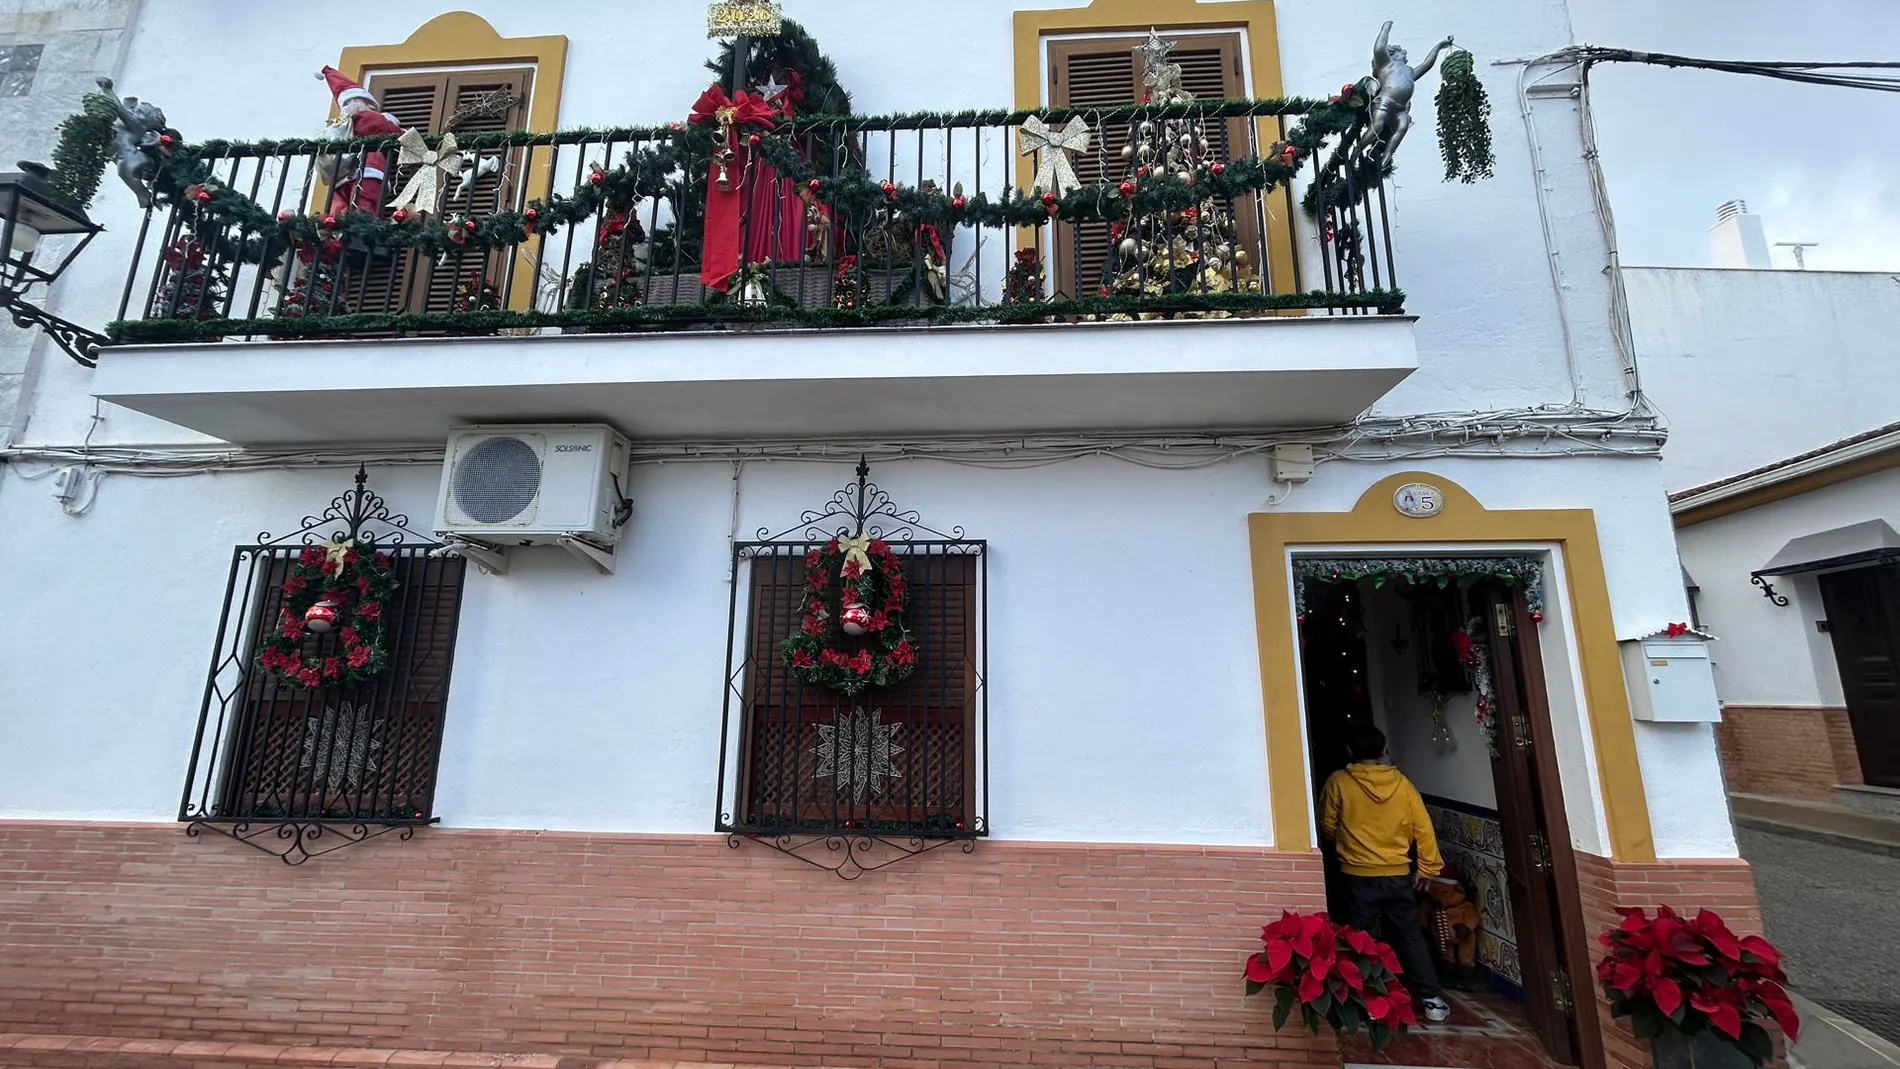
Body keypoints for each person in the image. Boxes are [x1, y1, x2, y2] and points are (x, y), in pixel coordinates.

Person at [1319, 722, 1453, 1023]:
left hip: (1356, 873)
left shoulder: (1340, 782)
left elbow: (1328, 824)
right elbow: (1424, 828)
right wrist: (1427, 867)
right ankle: (1432, 999)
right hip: (1397, 873)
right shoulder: (1403, 785)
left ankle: (1366, 999)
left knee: (1360, 936)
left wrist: (1345, 842)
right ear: (1384, 751)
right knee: (1408, 934)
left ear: (1350, 751)